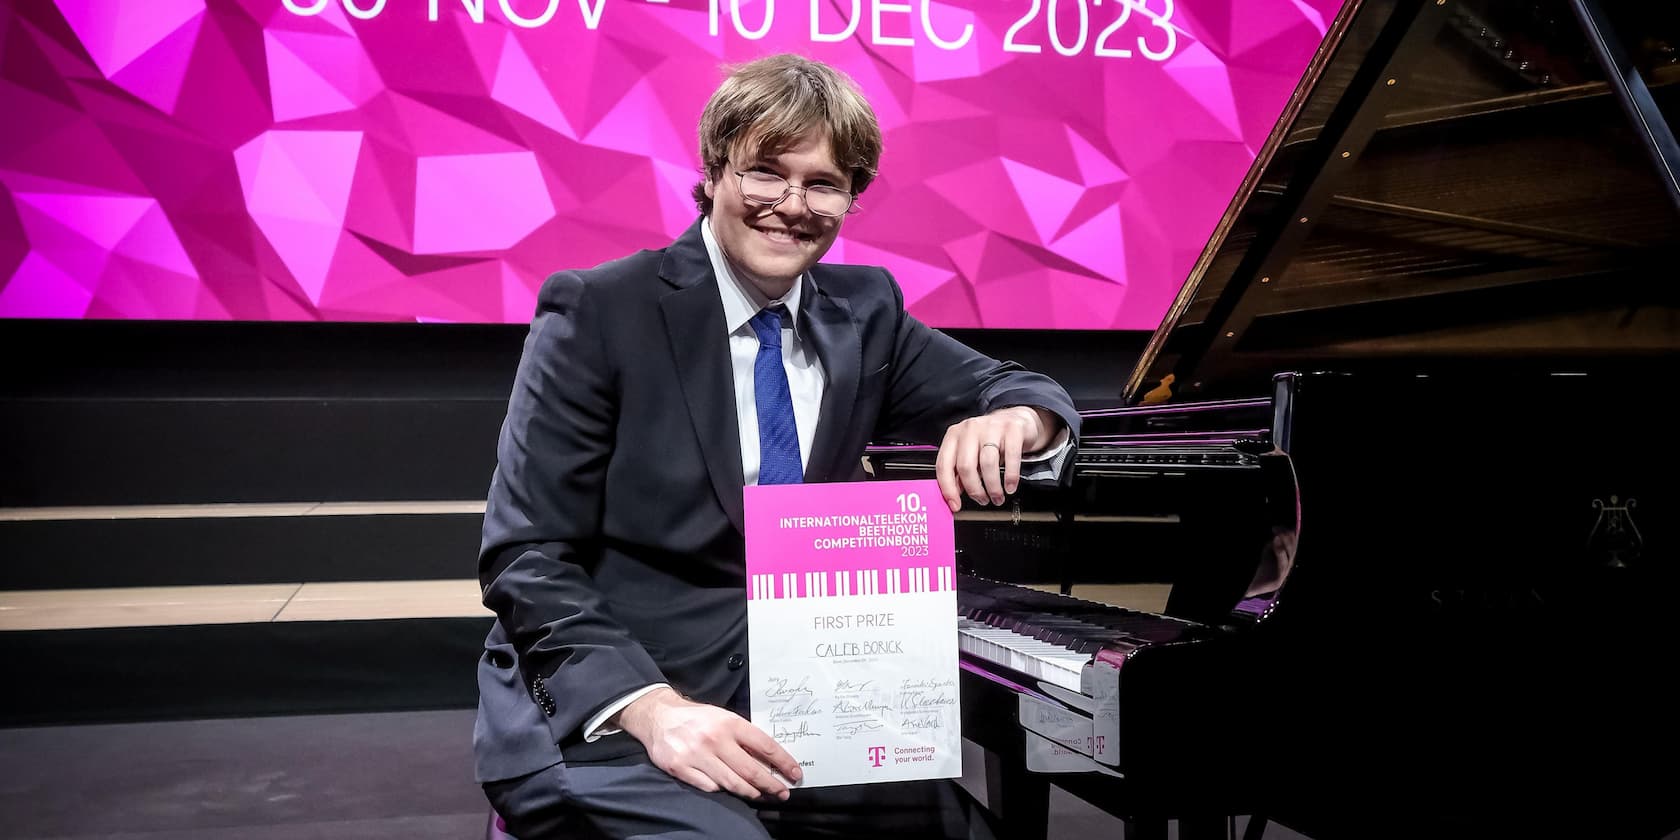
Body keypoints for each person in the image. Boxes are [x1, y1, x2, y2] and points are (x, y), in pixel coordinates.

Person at [475, 52, 1080, 839]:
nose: (792, 205)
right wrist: (653, 711)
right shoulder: (600, 310)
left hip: (801, 716)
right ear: (716, 170)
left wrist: (1019, 421)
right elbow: (526, 555)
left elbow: (1021, 389)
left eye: (824, 184)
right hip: (619, 714)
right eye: (766, 172)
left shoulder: (865, 314)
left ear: (851, 196)